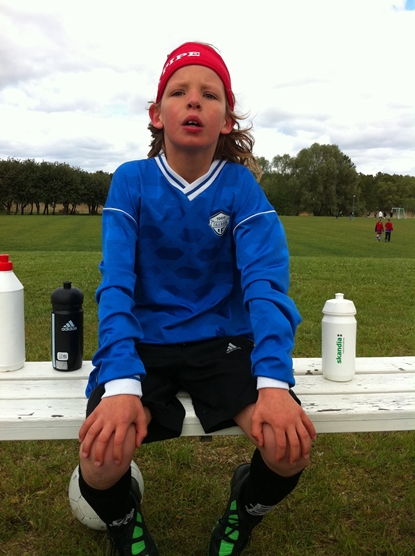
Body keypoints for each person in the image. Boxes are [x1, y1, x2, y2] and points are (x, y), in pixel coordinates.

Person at [77, 41, 316, 556]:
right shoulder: (131, 181)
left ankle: (242, 514)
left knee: (287, 450)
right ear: (156, 114)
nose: (193, 101)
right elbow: (115, 284)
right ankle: (124, 524)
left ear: (226, 120)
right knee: (100, 461)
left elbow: (265, 284)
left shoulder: (241, 188)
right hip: (144, 342)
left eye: (209, 94)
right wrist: (121, 383)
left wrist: (274, 382)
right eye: (179, 91)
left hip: (222, 340)